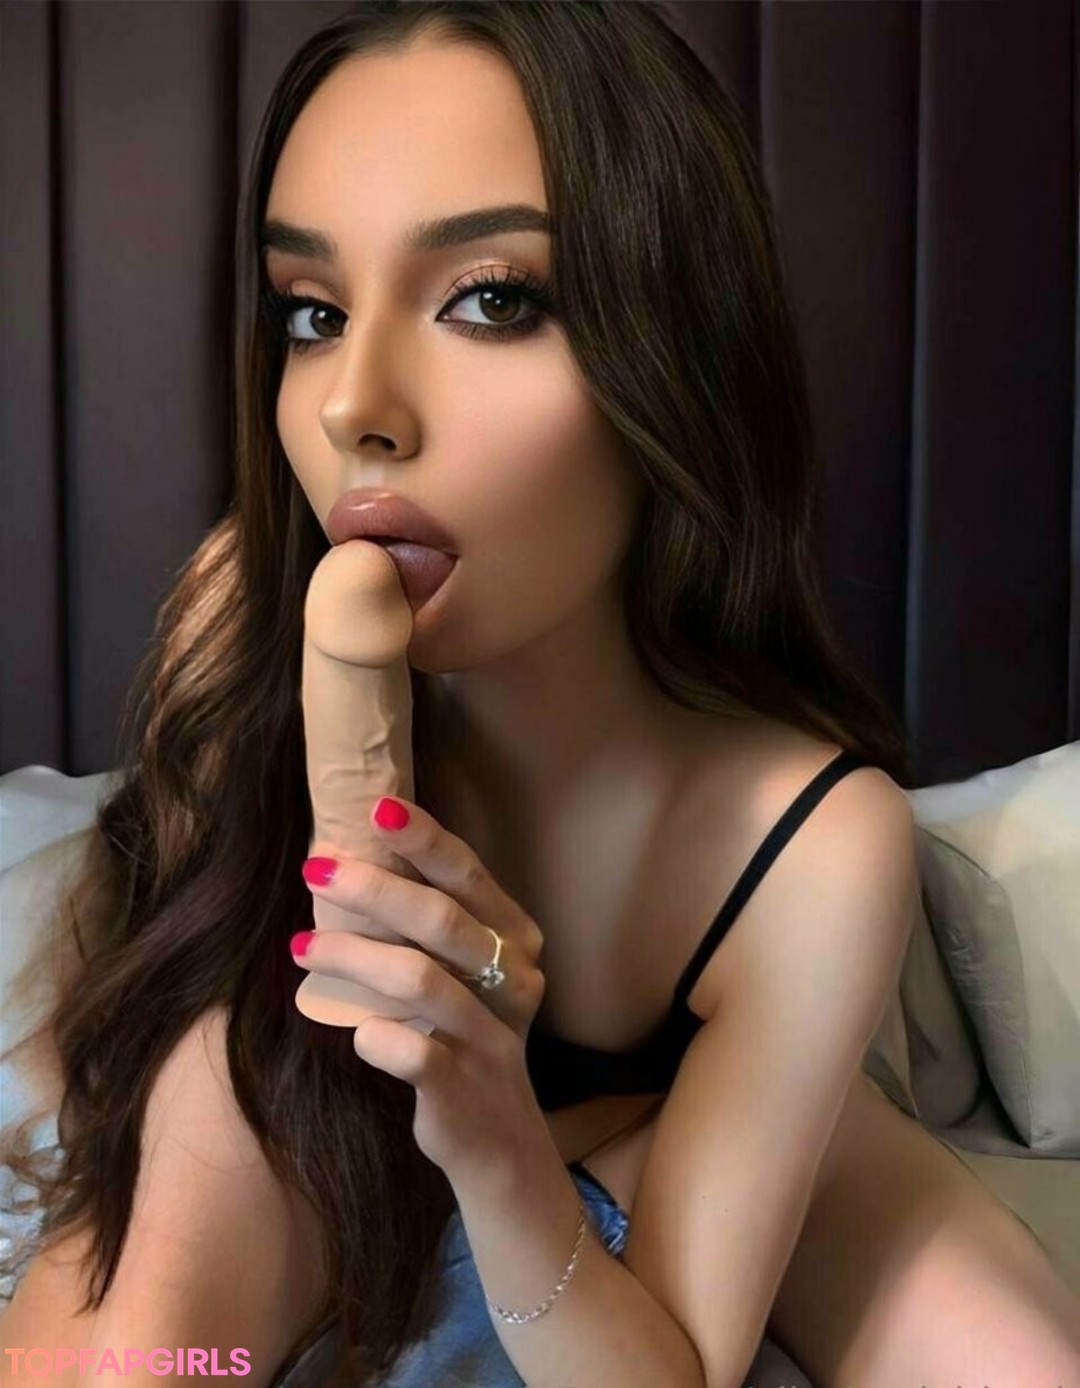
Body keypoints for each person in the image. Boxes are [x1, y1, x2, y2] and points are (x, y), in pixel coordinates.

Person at [2, 3, 1078, 1386]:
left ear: (674, 352)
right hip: (324, 1111)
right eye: (314, 313)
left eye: (492, 299)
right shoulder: (244, 630)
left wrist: (501, 1141)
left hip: (649, 1148)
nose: (352, 409)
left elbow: (665, 1368)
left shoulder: (808, 839)